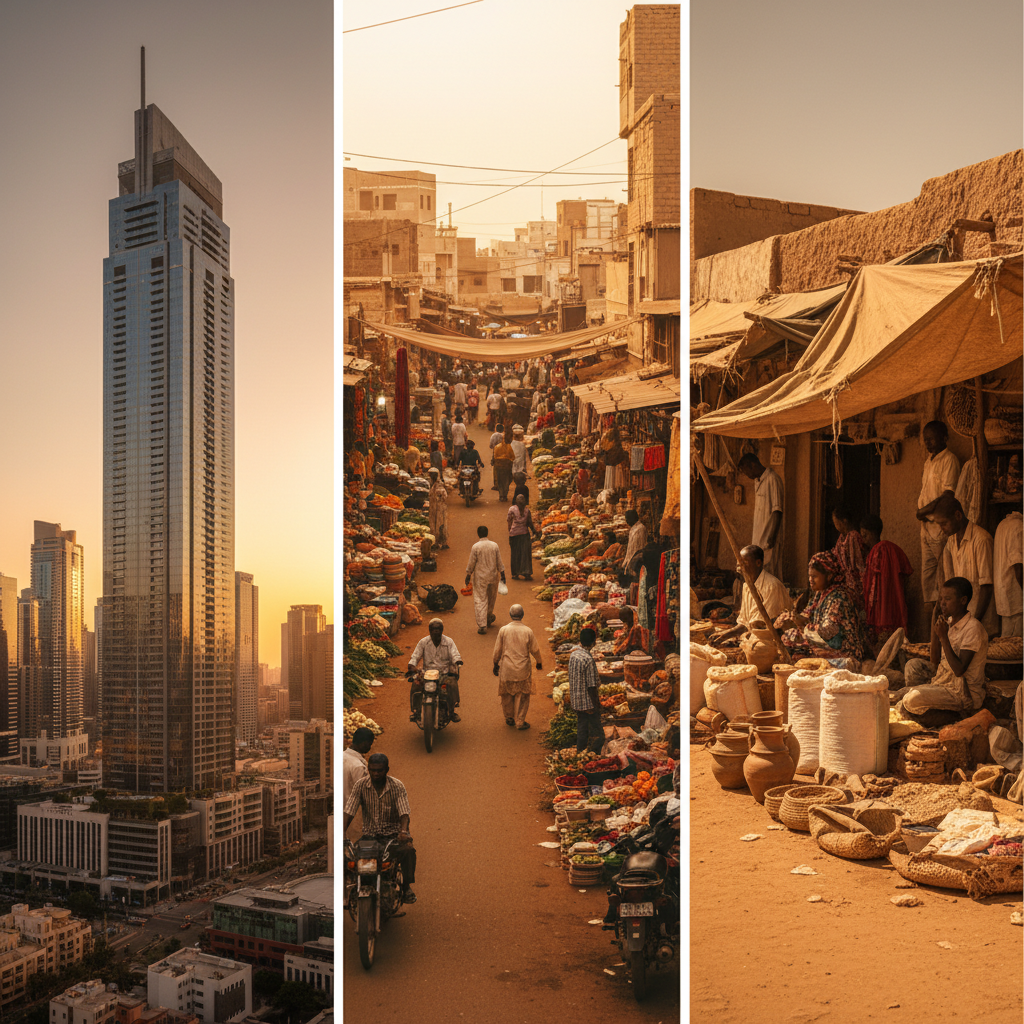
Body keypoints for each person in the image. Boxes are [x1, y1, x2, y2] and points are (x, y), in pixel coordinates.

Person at [893, 577, 988, 719]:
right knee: (912, 667)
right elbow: (934, 661)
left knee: (909, 701)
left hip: (963, 692)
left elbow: (959, 670)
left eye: (947, 599)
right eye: (941, 599)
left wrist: (943, 637)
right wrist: (935, 623)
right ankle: (928, 704)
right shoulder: (949, 623)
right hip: (944, 681)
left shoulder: (973, 628)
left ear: (963, 600)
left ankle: (958, 715)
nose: (942, 603)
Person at [344, 752, 417, 904]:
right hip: (369, 837)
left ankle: (406, 887)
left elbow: (404, 813)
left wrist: (403, 832)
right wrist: (341, 831)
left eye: (379, 770)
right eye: (372, 770)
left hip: (393, 836)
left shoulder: (397, 786)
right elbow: (349, 810)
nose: (376, 774)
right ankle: (347, 890)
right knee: (348, 857)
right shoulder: (361, 785)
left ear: (387, 770)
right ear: (368, 769)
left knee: (408, 851)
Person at [775, 550, 867, 666]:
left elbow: (828, 631)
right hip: (823, 641)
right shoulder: (819, 594)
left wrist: (802, 625)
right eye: (809, 576)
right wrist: (791, 618)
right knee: (788, 637)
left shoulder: (839, 597)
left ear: (829, 576)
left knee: (796, 646)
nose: (810, 580)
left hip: (842, 648)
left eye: (814, 576)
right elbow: (806, 615)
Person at [916, 420, 960, 621]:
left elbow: (948, 495)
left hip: (939, 527)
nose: (928, 443)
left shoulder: (949, 460)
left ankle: (949, 624)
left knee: (945, 577)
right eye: (926, 439)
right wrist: (922, 514)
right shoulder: (929, 461)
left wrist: (923, 511)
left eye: (932, 439)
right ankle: (932, 626)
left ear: (944, 438)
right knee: (928, 580)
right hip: (926, 528)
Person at [934, 495, 997, 635]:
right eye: (939, 524)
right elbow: (950, 584)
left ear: (958, 515)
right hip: (961, 623)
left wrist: (974, 623)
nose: (942, 529)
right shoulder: (951, 541)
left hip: (982, 621)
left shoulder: (981, 540)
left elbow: (987, 587)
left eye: (944, 523)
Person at [712, 545, 792, 645]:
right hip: (755, 637)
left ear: (758, 563)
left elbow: (760, 626)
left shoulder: (772, 586)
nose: (738, 567)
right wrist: (724, 634)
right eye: (738, 563)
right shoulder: (747, 586)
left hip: (774, 641)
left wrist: (728, 635)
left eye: (743, 562)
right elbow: (745, 623)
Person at [860, 514, 913, 647]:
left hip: (884, 609)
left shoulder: (881, 550)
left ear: (873, 533)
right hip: (892, 607)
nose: (863, 540)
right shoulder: (889, 549)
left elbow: (880, 584)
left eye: (865, 535)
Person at [492, 604, 543, 730]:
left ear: (510, 615)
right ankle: (520, 721)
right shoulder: (527, 631)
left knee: (506, 694)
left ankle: (509, 717)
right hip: (523, 670)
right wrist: (539, 662)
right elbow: (535, 649)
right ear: (522, 615)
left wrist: (495, 663)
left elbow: (497, 650)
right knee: (523, 695)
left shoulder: (503, 630)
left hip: (507, 669)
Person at [407, 618, 463, 722]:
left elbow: (455, 654)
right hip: (426, 674)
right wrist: (412, 665)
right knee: (416, 684)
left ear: (442, 630)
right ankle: (416, 711)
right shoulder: (423, 642)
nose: (436, 631)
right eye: (433, 629)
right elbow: (415, 656)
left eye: (438, 628)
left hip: (444, 673)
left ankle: (451, 712)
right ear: (429, 630)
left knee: (452, 684)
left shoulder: (449, 642)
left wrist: (458, 661)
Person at [738, 452, 784, 578]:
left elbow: (777, 510)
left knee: (770, 575)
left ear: (753, 465)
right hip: (758, 541)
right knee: (758, 576)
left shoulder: (772, 479)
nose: (746, 475)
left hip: (769, 540)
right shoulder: (757, 481)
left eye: (746, 471)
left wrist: (771, 537)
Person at [466, 525, 507, 635]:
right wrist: (502, 574)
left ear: (478, 534)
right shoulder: (494, 545)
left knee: (480, 600)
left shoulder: (476, 547)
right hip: (493, 576)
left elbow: (471, 562)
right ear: (487, 533)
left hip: (480, 578)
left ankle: (482, 625)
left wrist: (468, 574)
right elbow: (499, 561)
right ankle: (488, 616)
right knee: (491, 598)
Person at [568, 627, 602, 753]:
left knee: (582, 725)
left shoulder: (573, 655)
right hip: (587, 702)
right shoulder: (588, 659)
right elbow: (591, 686)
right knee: (596, 731)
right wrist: (596, 704)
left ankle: (580, 750)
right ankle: (593, 753)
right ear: (593, 642)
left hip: (576, 699)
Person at [993, 511, 1023, 637]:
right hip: (1014, 592)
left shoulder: (1002, 524)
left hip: (1003, 590)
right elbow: (1017, 564)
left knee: (1007, 639)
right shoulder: (1018, 526)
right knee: (1016, 641)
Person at [832, 506, 866, 614]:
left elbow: (859, 562)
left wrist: (863, 583)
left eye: (836, 522)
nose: (835, 525)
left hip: (856, 582)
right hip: (846, 582)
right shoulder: (841, 538)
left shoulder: (853, 536)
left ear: (844, 521)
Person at [507, 494, 540, 580]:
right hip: (524, 534)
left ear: (516, 502)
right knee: (525, 554)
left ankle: (515, 573)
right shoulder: (527, 511)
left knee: (515, 554)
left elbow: (509, 521)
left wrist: (510, 530)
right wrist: (534, 532)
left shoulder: (512, 509)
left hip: (514, 535)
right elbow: (529, 523)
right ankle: (526, 573)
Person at [343, 727, 374, 800]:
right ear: (364, 743)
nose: (370, 747)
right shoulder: (359, 766)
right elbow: (365, 794)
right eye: (369, 744)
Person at [621, 509, 648, 576]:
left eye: (628, 519)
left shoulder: (641, 529)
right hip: (631, 561)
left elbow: (640, 547)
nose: (627, 521)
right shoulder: (633, 528)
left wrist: (632, 562)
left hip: (636, 561)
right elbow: (630, 548)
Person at [427, 468, 449, 550]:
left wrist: (439, 499)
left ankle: (443, 543)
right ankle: (435, 542)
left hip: (440, 508)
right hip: (433, 508)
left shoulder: (439, 485)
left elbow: (444, 496)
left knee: (441, 525)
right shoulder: (431, 484)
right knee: (433, 525)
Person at [493, 434, 515, 502]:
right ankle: (504, 495)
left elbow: (495, 457)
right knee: (507, 481)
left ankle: (501, 495)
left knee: (500, 481)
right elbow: (513, 457)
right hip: (507, 467)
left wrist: (501, 458)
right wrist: (507, 458)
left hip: (499, 466)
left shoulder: (497, 447)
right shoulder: (509, 447)